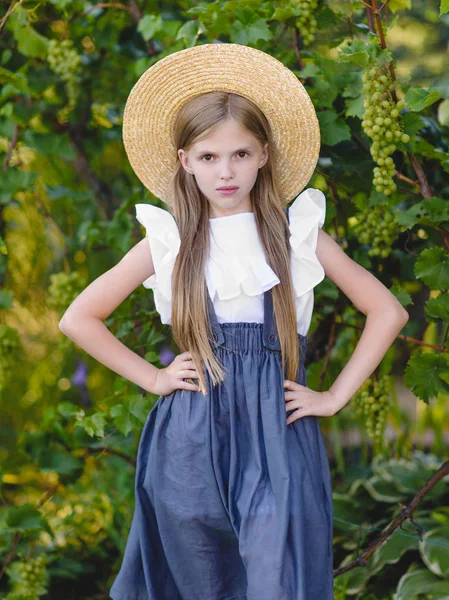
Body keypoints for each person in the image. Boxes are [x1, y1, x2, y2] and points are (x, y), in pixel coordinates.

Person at [59, 43, 409, 600]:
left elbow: (387, 310)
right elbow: (79, 317)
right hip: (190, 438)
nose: (226, 172)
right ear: (184, 161)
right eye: (208, 157)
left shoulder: (297, 235)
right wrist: (154, 379)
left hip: (277, 429)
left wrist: (334, 397)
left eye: (241, 155)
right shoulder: (170, 240)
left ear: (265, 155)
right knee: (201, 578)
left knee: (276, 573)